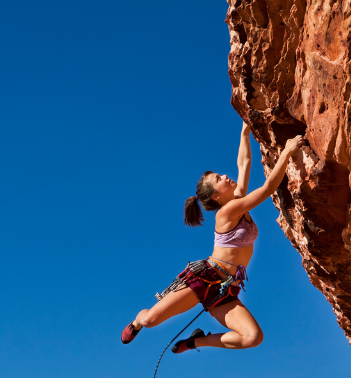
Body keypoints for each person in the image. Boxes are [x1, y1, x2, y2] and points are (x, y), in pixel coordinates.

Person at [121, 123, 304, 354]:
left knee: (253, 337)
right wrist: (287, 152)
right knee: (150, 320)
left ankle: (196, 341)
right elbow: (268, 189)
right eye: (219, 178)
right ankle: (137, 322)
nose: (226, 176)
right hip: (204, 278)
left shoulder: (236, 200)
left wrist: (244, 132)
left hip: (225, 289)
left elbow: (244, 163)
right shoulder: (226, 213)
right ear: (216, 195)